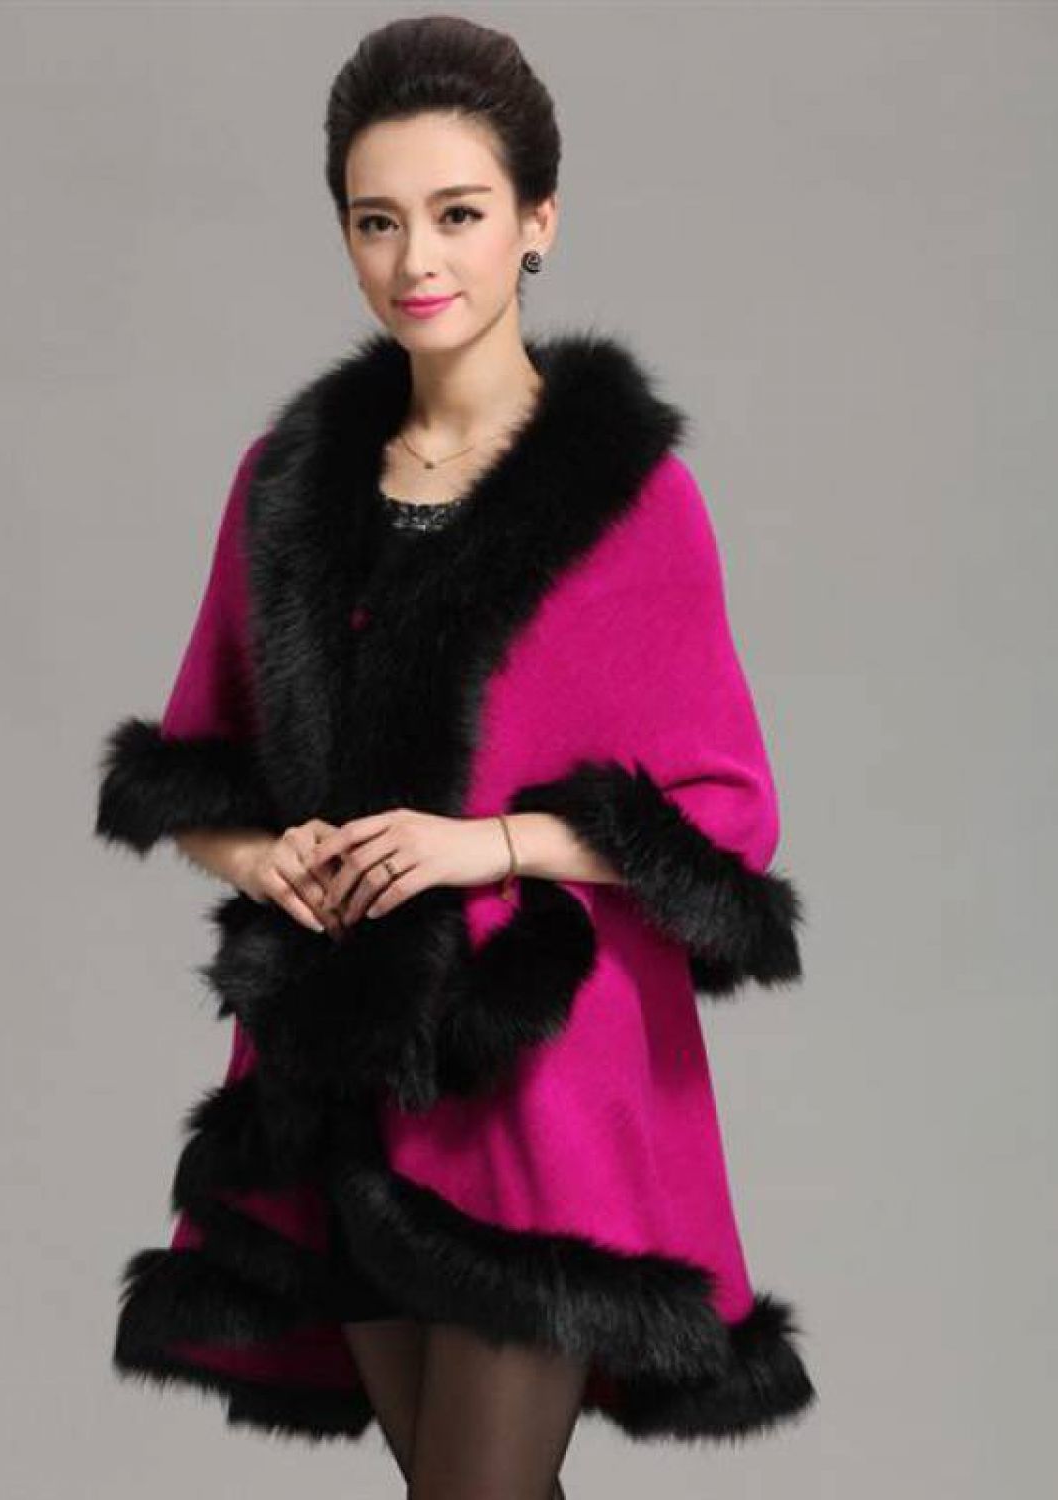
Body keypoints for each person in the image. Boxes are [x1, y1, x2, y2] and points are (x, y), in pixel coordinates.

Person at [94, 15, 816, 1496]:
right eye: (378, 220)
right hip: (343, 1069)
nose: (416, 259)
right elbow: (197, 767)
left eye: (459, 213)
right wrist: (270, 858)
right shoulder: (289, 480)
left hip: (536, 1074)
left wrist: (479, 845)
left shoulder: (632, 500)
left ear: (537, 222)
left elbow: (724, 813)